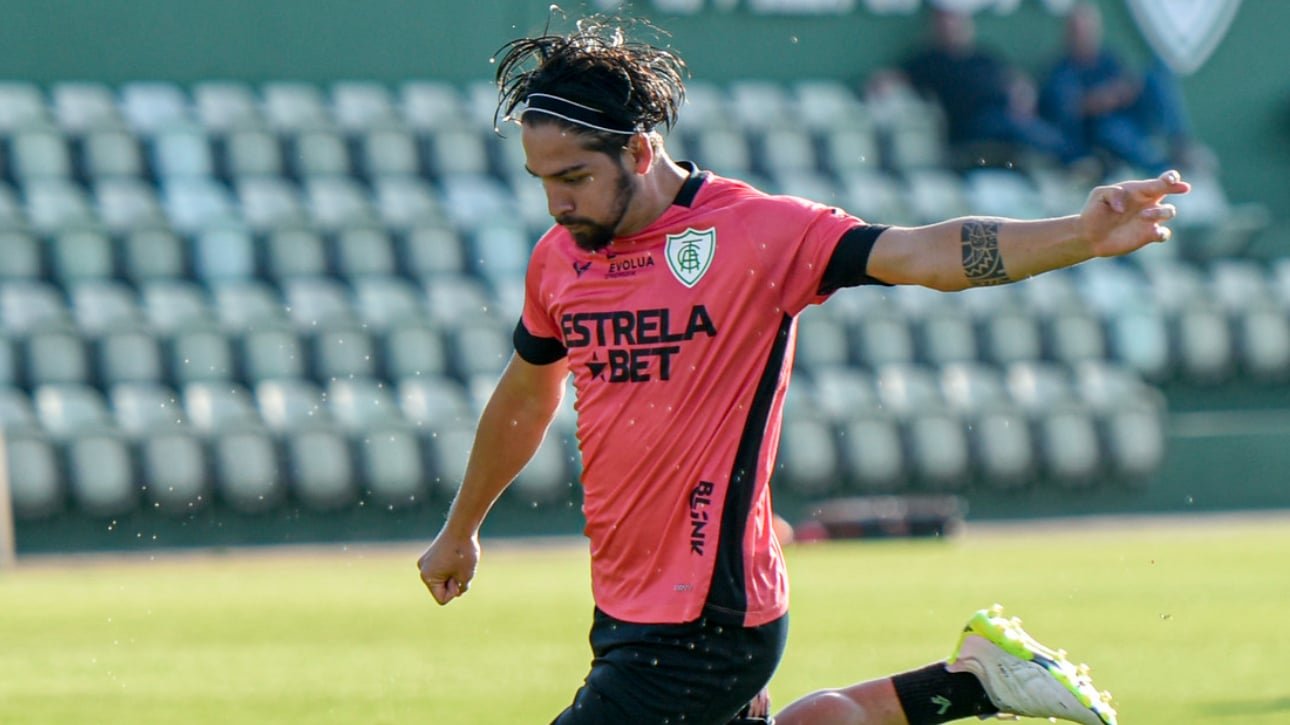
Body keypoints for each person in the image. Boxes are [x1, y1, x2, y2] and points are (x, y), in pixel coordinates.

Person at [417, 16, 1188, 725]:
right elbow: (526, 393)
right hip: (624, 602)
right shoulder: (560, 260)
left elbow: (922, 253)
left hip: (709, 614)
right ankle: (970, 682)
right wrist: (462, 527)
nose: (555, 203)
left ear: (640, 151)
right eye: (542, 180)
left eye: (574, 178)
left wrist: (1078, 236)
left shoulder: (756, 231)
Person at [870, 7, 1077, 167]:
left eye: (956, 22)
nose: (952, 27)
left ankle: (1078, 160)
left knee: (1041, 118)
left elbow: (1016, 79)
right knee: (1019, 128)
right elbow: (892, 78)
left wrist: (1023, 95)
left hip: (1005, 115)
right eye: (946, 22)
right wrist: (880, 84)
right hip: (971, 125)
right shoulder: (930, 60)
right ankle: (1074, 160)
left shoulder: (982, 56)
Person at [1039, 2, 1207, 175]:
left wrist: (1118, 93)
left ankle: (1181, 145)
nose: (1084, 36)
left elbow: (1129, 85)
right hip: (1097, 133)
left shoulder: (1108, 58)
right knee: (1112, 130)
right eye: (1078, 31)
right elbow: (1069, 110)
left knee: (1157, 73)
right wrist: (1102, 100)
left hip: (1131, 118)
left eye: (1089, 29)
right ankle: (1162, 169)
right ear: (1068, 34)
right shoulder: (1063, 70)